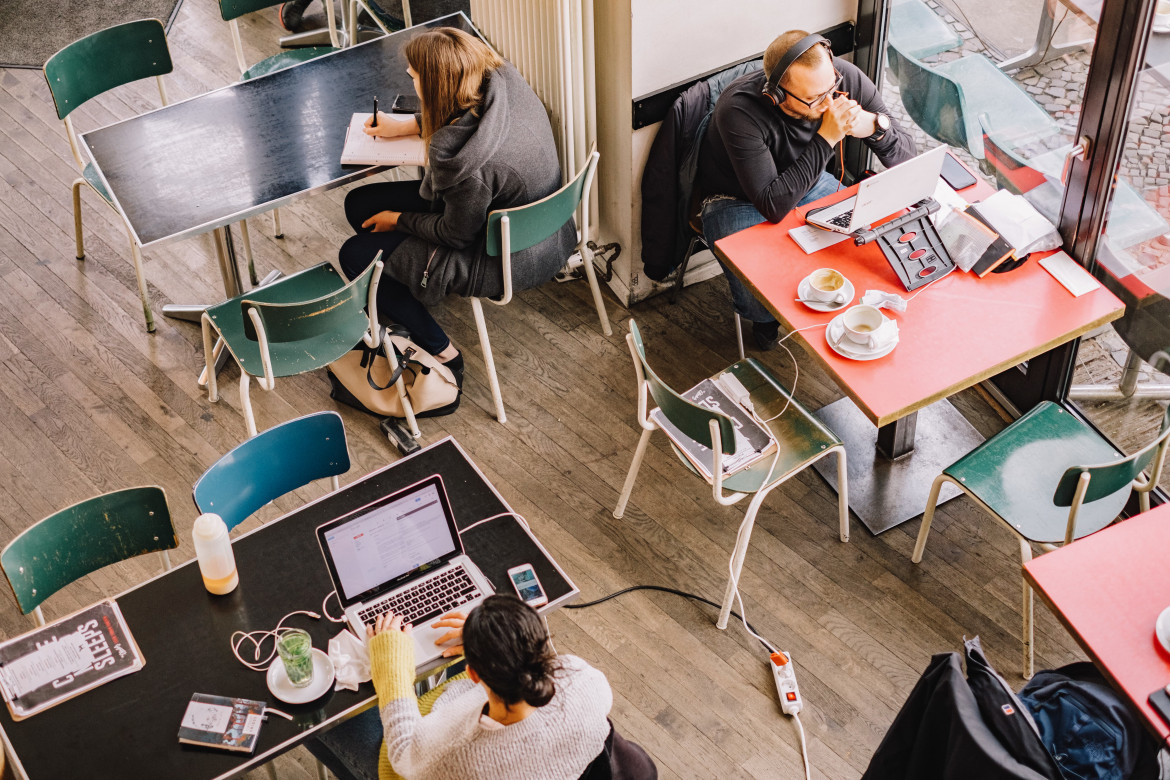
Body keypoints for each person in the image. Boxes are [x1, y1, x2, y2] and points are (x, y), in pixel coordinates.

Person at [339, 27, 573, 383]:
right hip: (548, 226)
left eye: (415, 77)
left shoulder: (467, 164)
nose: (409, 78)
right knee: (359, 204)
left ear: (434, 87)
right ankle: (406, 283)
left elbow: (457, 235)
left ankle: (441, 349)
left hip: (503, 257)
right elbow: (461, 110)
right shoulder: (503, 80)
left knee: (355, 256)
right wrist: (408, 125)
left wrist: (399, 220)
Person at [695, 29, 916, 349]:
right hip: (736, 199)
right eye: (815, 99)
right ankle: (766, 321)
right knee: (760, 290)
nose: (830, 102)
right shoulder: (738, 110)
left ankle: (838, 307)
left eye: (832, 88)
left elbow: (906, 157)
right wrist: (826, 138)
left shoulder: (843, 79)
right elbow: (772, 204)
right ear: (778, 96)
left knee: (862, 242)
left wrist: (874, 126)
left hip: (807, 182)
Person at [307, 595, 618, 780]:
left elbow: (405, 756)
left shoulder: (460, 756)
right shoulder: (583, 678)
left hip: (413, 763)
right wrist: (489, 637)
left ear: (472, 674)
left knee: (317, 718)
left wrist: (391, 667)